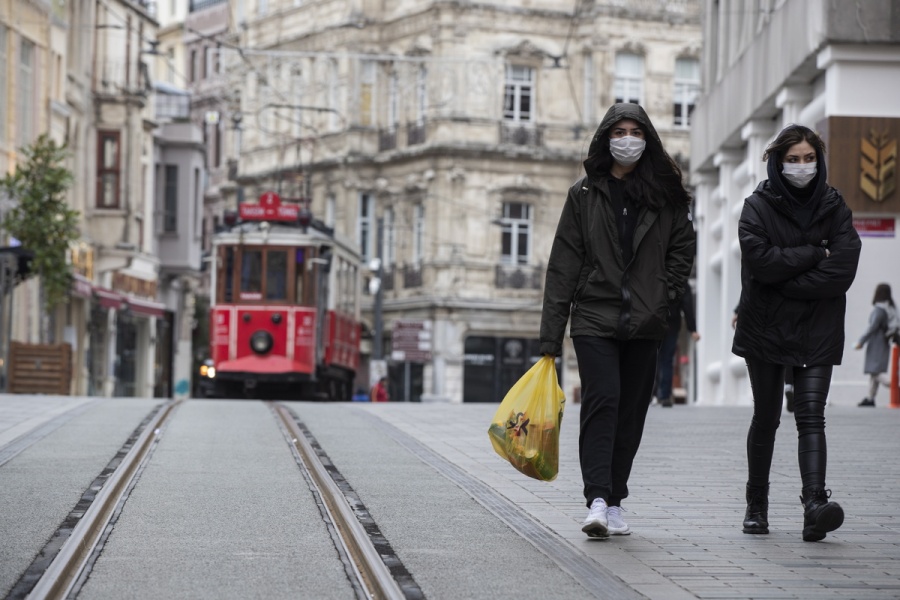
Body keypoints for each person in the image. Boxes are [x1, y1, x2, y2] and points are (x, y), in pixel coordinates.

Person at [540, 103, 695, 538]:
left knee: (630, 413)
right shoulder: (584, 195)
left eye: (635, 131)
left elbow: (683, 250)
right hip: (593, 316)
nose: (627, 138)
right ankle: (597, 499)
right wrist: (550, 339)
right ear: (606, 138)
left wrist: (665, 296)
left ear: (647, 139)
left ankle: (617, 498)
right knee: (602, 401)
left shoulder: (666, 197)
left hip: (646, 320)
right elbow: (563, 265)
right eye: (619, 131)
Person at [732, 124, 861, 542]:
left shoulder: (835, 206)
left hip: (818, 329)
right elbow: (761, 262)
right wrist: (812, 253)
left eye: (809, 158)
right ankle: (756, 504)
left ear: (819, 161)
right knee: (767, 417)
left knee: (811, 415)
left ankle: (814, 505)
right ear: (777, 161)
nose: (802, 166)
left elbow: (841, 270)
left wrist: (788, 279)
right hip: (765, 329)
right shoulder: (756, 206)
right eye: (793, 159)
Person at [655, 284, 700, 407]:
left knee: (654, 358)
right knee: (667, 360)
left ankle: (653, 394)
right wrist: (692, 329)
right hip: (671, 324)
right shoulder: (681, 280)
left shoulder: (656, 274)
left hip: (653, 322)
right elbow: (687, 306)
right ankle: (664, 395)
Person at [854, 283, 897, 407]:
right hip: (884, 343)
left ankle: (895, 386)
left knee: (876, 372)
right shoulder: (890, 308)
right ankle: (870, 397)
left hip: (876, 344)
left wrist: (860, 341)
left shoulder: (879, 310)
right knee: (874, 371)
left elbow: (871, 327)